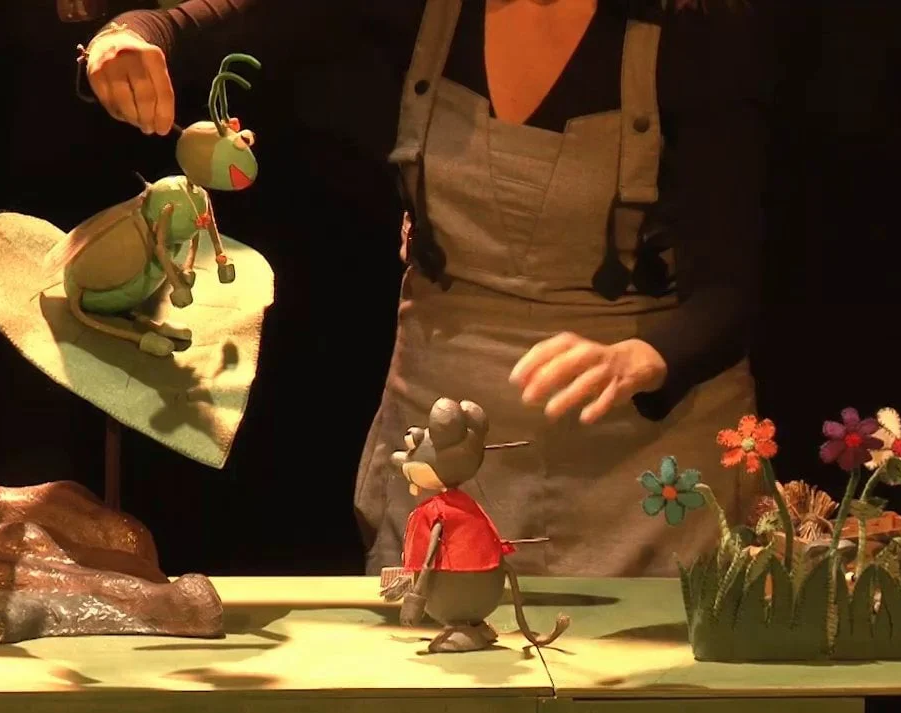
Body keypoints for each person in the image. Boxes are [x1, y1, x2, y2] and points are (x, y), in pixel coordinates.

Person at [78, 0, 774, 576]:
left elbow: (731, 288)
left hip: (644, 456)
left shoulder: (691, 32)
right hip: (451, 438)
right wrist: (128, 37)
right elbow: (221, 19)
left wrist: (646, 357)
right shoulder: (421, 12)